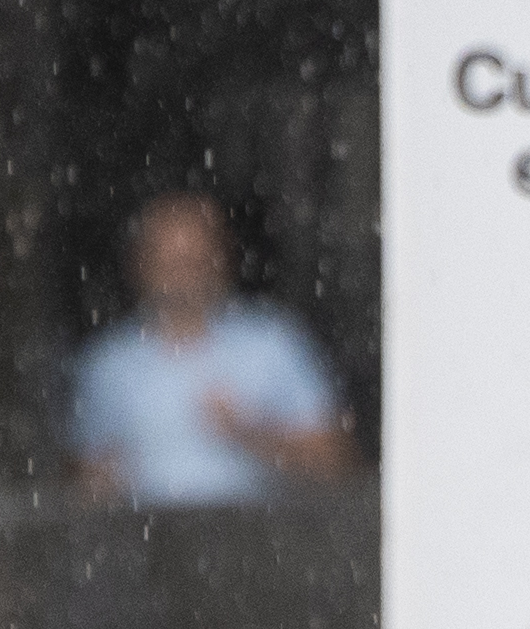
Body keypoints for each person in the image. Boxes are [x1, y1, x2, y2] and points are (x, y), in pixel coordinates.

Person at [73, 195, 348, 504]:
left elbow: (337, 464)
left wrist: (252, 434)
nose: (182, 277)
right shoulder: (109, 361)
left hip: (263, 531)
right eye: (169, 262)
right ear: (139, 265)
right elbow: (87, 485)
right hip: (146, 533)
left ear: (223, 259)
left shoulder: (273, 342)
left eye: (194, 261)